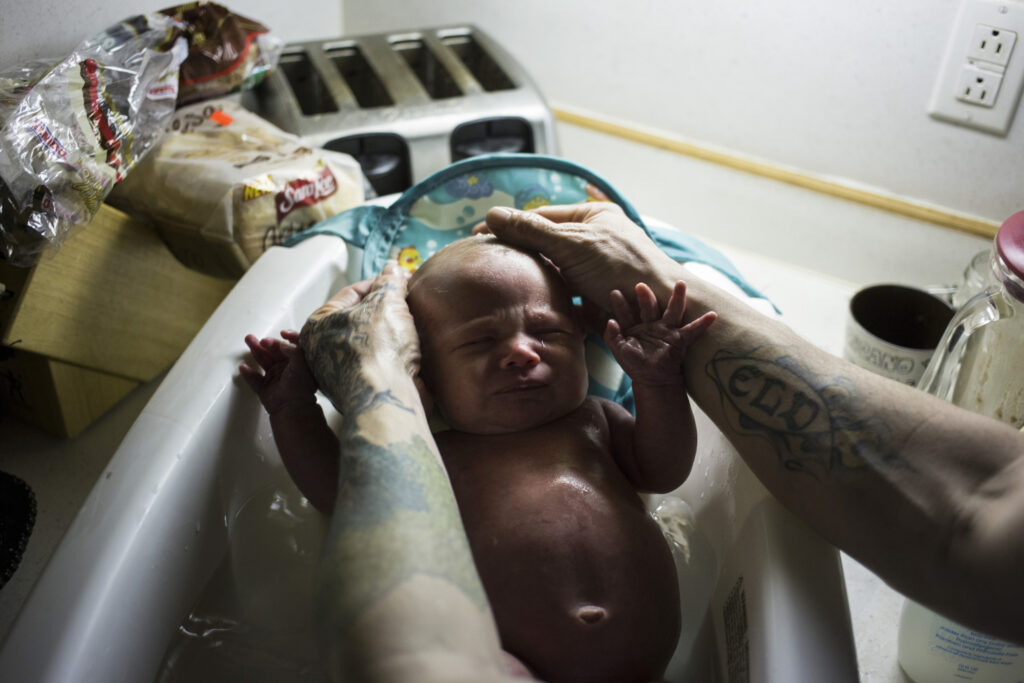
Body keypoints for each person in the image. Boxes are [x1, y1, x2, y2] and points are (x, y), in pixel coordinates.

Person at [241, 234, 716, 682]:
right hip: (505, 665)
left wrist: (657, 383)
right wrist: (293, 408)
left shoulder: (597, 422)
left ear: (580, 340)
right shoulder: (431, 453)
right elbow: (338, 494)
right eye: (480, 341)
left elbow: (665, 470)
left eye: (547, 331)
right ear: (423, 372)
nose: (521, 353)